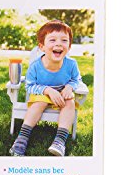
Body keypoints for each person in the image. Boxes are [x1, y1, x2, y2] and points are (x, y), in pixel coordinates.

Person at [10, 20, 81, 157]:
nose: (58, 44)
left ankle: (59, 141)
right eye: (52, 40)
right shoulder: (36, 66)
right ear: (42, 47)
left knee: (70, 102)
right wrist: (47, 90)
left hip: (61, 96)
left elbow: (76, 79)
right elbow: (30, 85)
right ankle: (22, 139)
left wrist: (69, 87)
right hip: (41, 95)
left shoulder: (71, 64)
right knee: (40, 102)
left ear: (69, 46)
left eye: (64, 40)